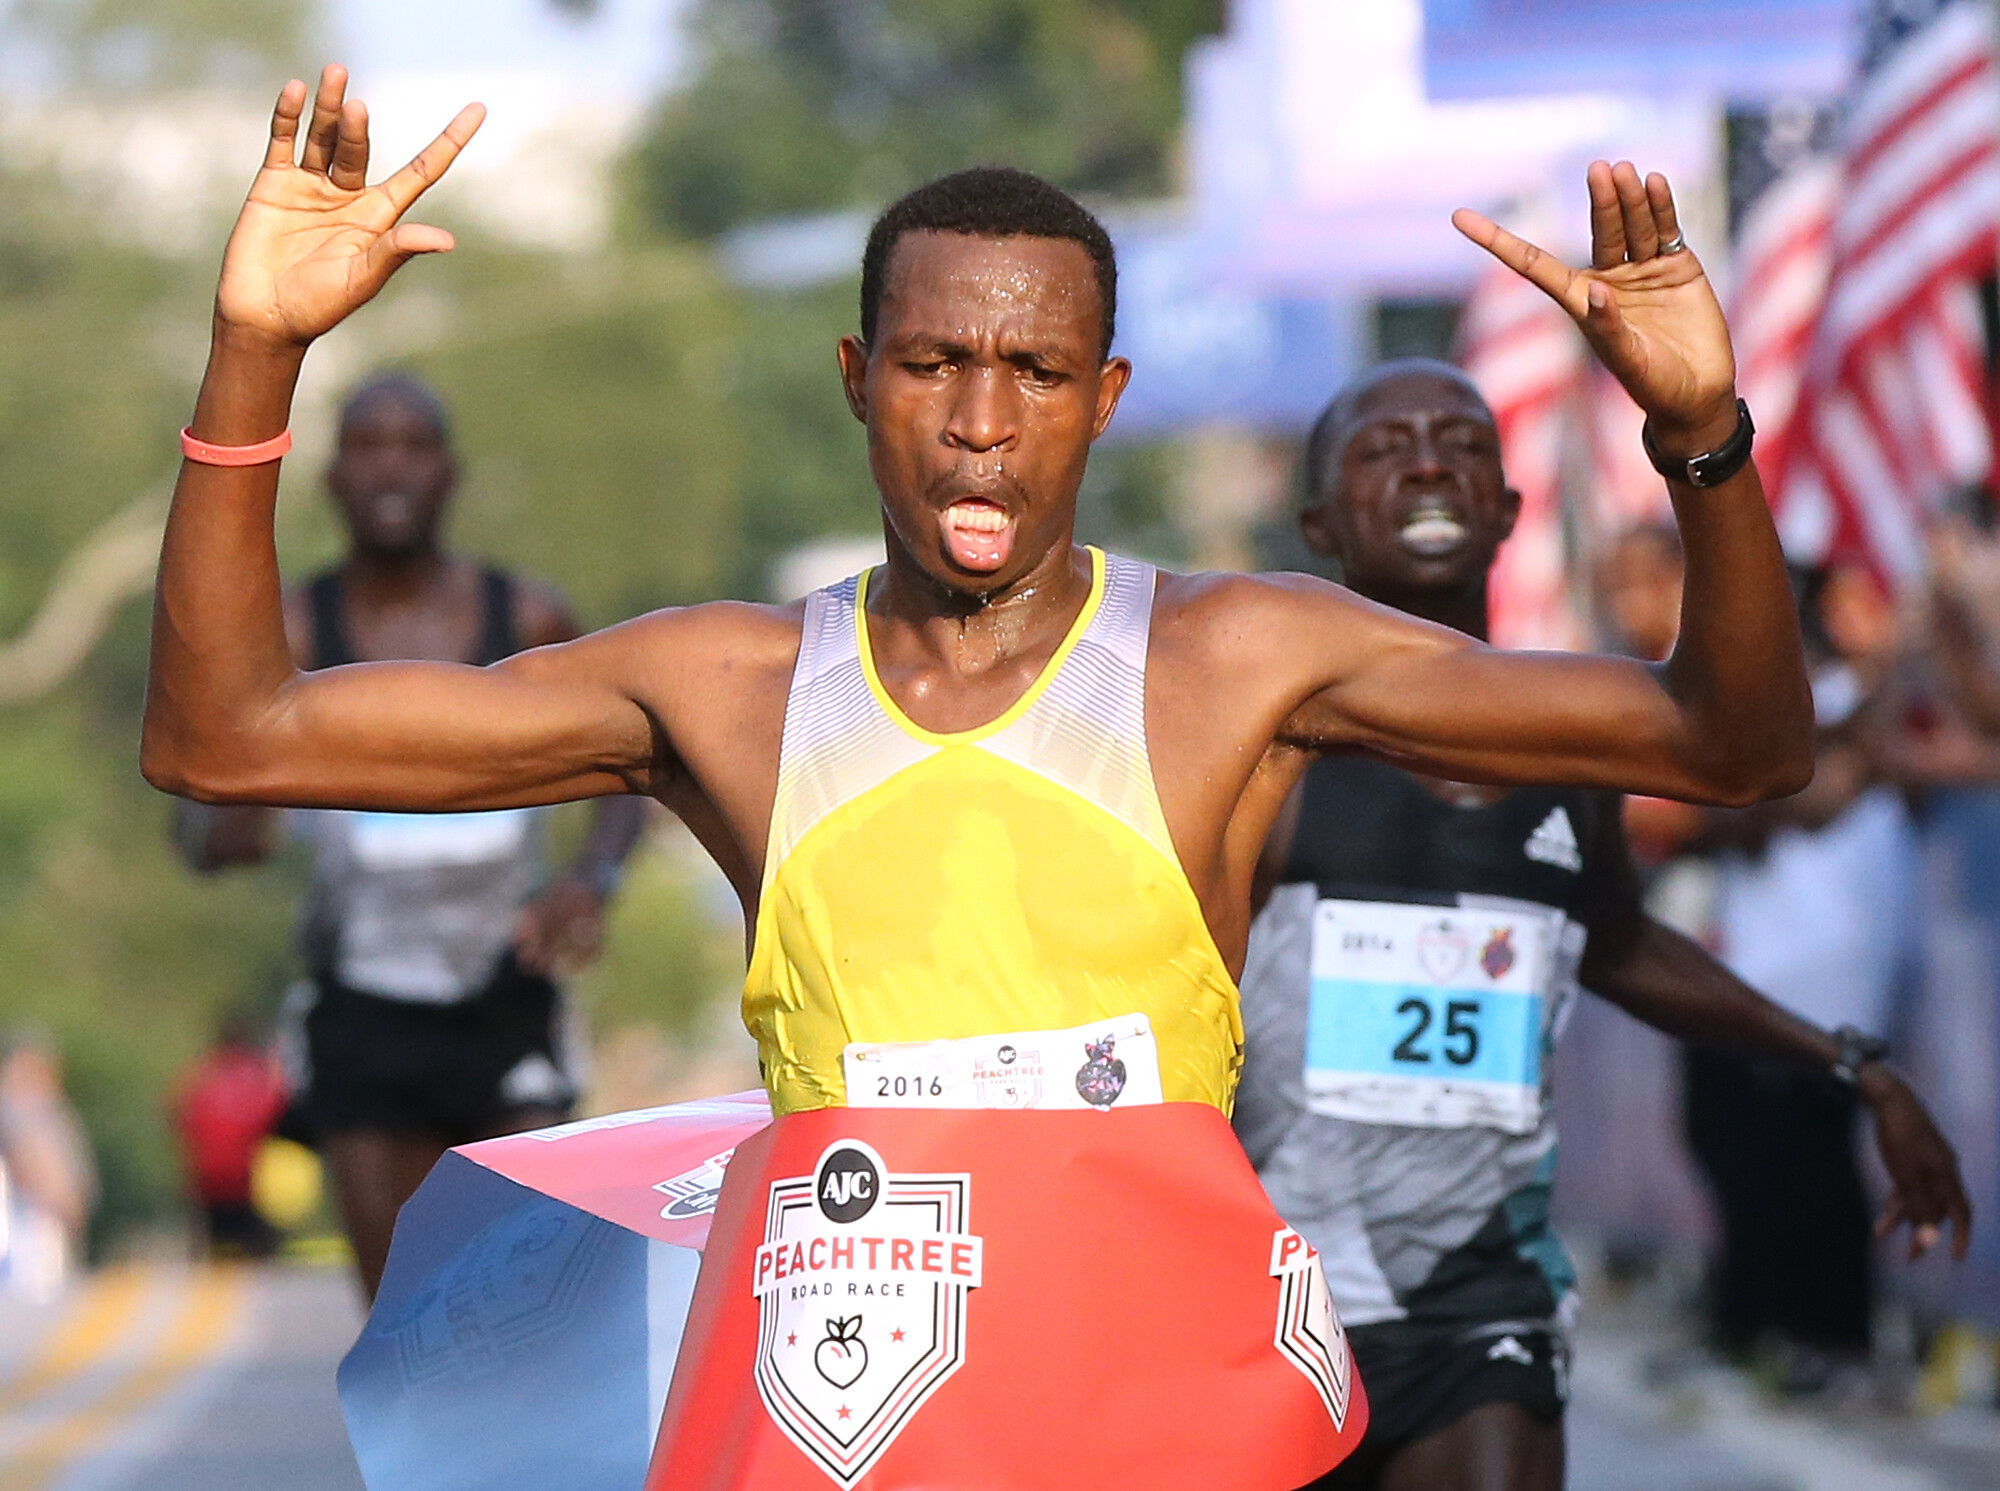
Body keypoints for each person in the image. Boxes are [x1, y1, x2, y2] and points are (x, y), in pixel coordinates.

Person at [144, 67, 1813, 1488]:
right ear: (856, 378)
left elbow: (1733, 746)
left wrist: (1704, 439)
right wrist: (253, 353)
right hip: (853, 1422)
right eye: (934, 363)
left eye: (1036, 373)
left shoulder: (1236, 660)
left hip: (1160, 1413)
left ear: (1106, 399)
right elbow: (229, 737)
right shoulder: (725, 689)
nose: (982, 422)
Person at [1233, 360, 1972, 1490]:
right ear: (1319, 523)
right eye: (1384, 449)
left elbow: (1616, 942)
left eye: (1459, 445)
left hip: (1481, 1293)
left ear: (1505, 510)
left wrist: (1846, 1063)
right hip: (1282, 1286)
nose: (1427, 464)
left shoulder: (1568, 737)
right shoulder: (1268, 753)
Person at [173, 369, 647, 1300]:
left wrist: (591, 878)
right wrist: (225, 825)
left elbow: (635, 764)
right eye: (367, 446)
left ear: (449, 474)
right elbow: (196, 803)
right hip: (366, 1010)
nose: (391, 467)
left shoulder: (527, 617)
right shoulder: (293, 630)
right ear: (332, 479)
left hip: (507, 991)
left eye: (414, 446)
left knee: (529, 1304)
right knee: (404, 1322)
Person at [169, 1012, 288, 1259]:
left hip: (205, 1181)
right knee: (258, 1250)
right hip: (251, 1183)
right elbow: (278, 1114)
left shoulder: (200, 1074)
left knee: (213, 1248)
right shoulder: (260, 1075)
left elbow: (177, 1113)